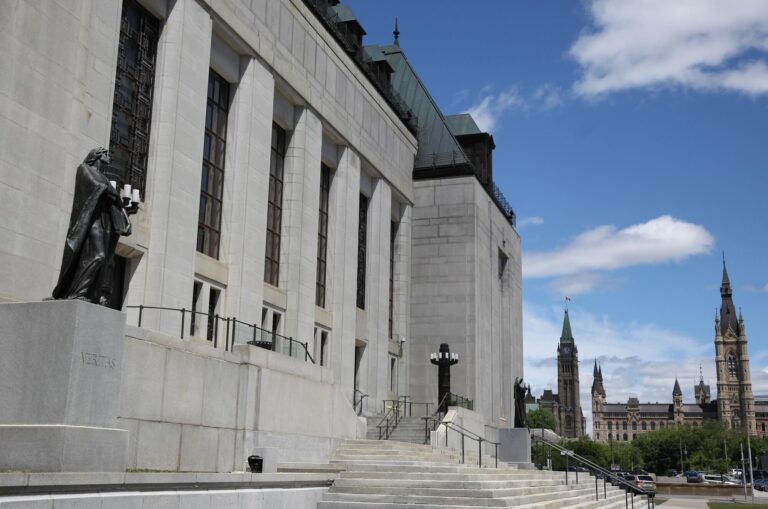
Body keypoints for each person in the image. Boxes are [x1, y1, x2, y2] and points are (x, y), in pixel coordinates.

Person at [51, 148, 132, 305]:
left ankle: (89, 293)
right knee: (98, 255)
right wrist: (111, 192)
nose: (109, 156)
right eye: (106, 154)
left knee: (106, 259)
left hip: (104, 220)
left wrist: (123, 212)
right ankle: (76, 292)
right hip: (90, 220)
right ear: (97, 155)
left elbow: (113, 198)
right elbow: (94, 186)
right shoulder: (84, 169)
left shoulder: (105, 178)